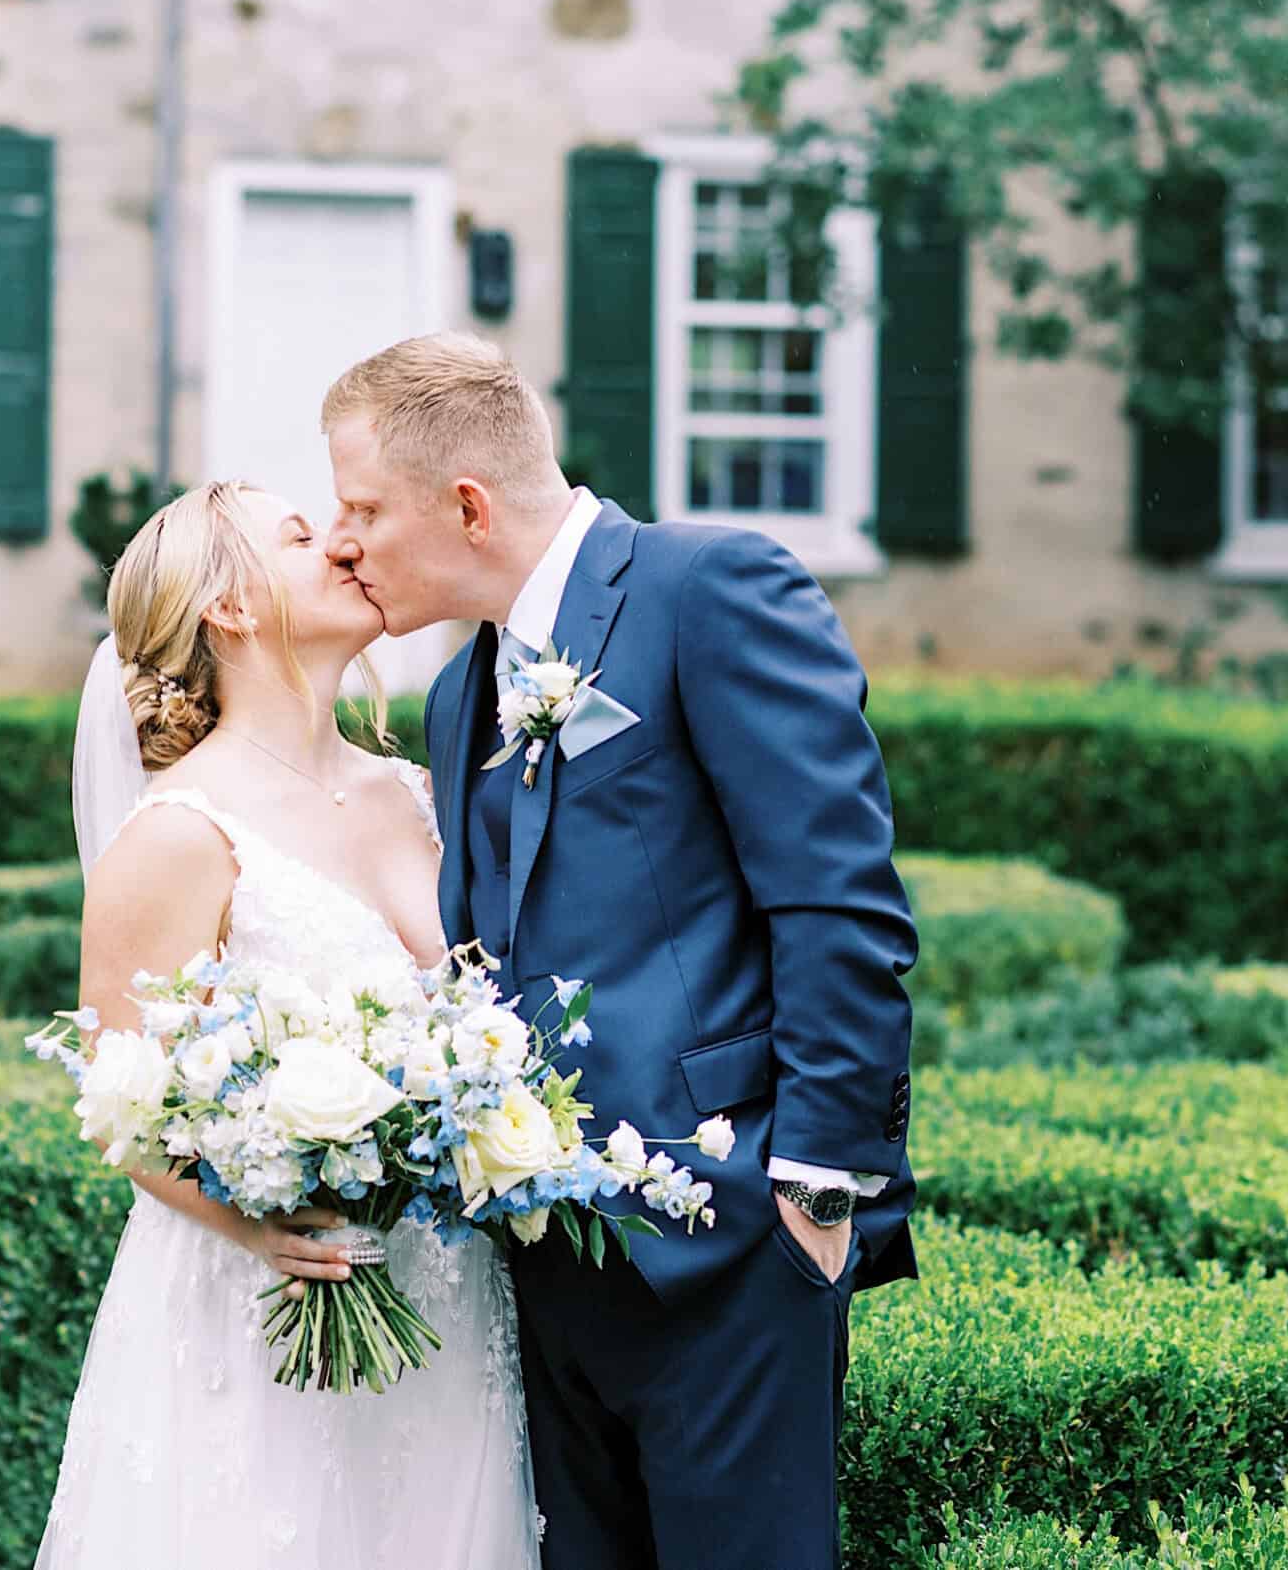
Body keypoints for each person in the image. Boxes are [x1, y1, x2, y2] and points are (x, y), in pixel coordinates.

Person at [322, 332, 919, 1570]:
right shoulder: (452, 697)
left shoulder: (710, 589)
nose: (342, 541)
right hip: (544, 1267)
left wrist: (813, 1184)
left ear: (468, 504)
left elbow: (836, 900)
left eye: (364, 507)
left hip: (731, 1239)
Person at [37, 480, 540, 1570]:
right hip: (268, 1297)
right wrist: (265, 1220)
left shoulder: (418, 792)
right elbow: (120, 1103)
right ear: (227, 605)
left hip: (446, 1289)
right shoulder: (177, 833)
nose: (346, 544)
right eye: (305, 536)